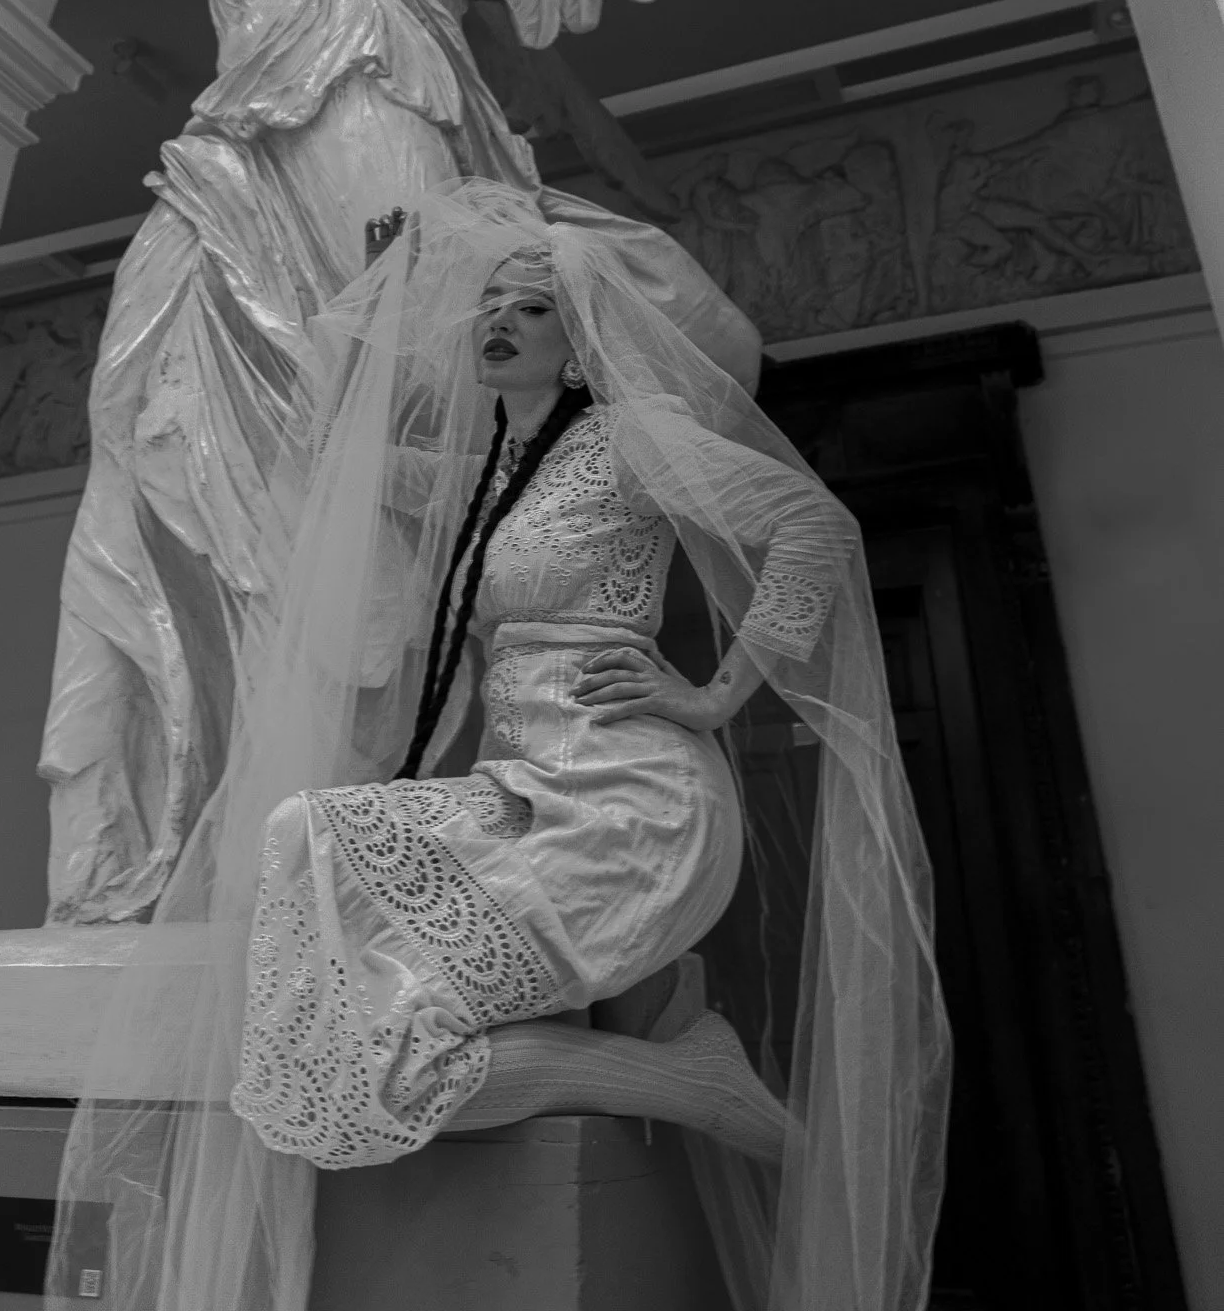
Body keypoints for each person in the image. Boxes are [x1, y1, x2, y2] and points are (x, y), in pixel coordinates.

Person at [51, 181, 949, 1311]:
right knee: (307, 845)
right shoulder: (477, 488)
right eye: (488, 302)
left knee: (389, 1048)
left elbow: (814, 526)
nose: (498, 319)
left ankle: (697, 1083)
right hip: (522, 791)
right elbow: (340, 451)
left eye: (531, 306)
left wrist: (720, 693)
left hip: (633, 807)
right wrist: (385, 293)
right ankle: (682, 1074)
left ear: (580, 346)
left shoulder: (633, 437)